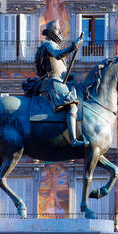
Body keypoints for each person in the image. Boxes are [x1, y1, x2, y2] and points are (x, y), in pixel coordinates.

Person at [35, 19, 88, 148]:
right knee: (72, 105)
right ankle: (74, 140)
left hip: (57, 80)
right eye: (59, 30)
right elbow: (58, 55)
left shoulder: (50, 44)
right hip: (53, 82)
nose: (60, 33)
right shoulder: (49, 44)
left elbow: (58, 66)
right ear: (54, 32)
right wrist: (73, 47)